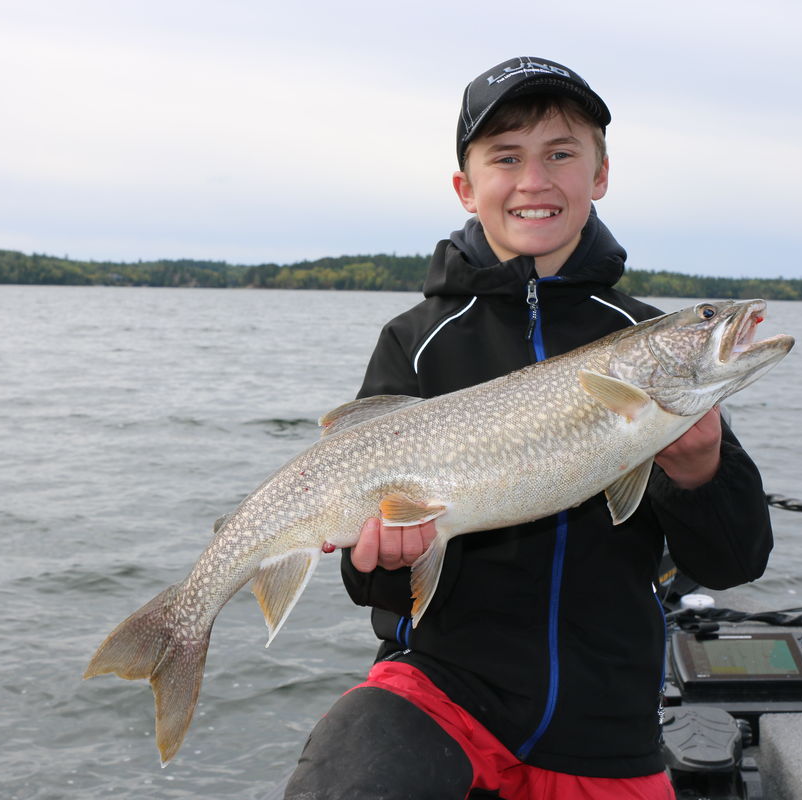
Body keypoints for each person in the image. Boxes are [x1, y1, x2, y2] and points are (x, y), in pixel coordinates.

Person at [285, 56, 773, 800]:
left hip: (607, 720)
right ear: (465, 186)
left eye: (561, 154)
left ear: (600, 175)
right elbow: (373, 585)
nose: (534, 181)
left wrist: (702, 471)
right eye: (505, 158)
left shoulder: (643, 342)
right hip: (443, 693)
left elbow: (737, 558)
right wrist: (380, 557)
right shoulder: (415, 340)